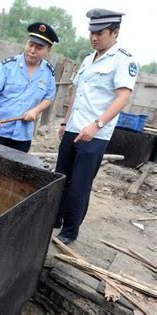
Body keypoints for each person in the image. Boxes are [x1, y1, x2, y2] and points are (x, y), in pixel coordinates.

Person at [55, 9, 139, 244]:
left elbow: (122, 98)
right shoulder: (87, 59)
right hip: (73, 128)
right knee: (61, 177)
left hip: (95, 134)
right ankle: (55, 219)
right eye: (91, 32)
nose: (94, 37)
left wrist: (97, 124)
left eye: (99, 33)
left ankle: (69, 231)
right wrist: (65, 120)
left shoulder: (124, 60)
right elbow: (76, 93)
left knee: (79, 184)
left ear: (115, 32)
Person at [0, 22, 59, 153]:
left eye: (39, 47)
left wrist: (35, 111)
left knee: (16, 172)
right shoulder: (8, 65)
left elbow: (49, 97)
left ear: (48, 50)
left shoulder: (48, 72)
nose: (32, 51)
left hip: (23, 135)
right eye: (30, 45)